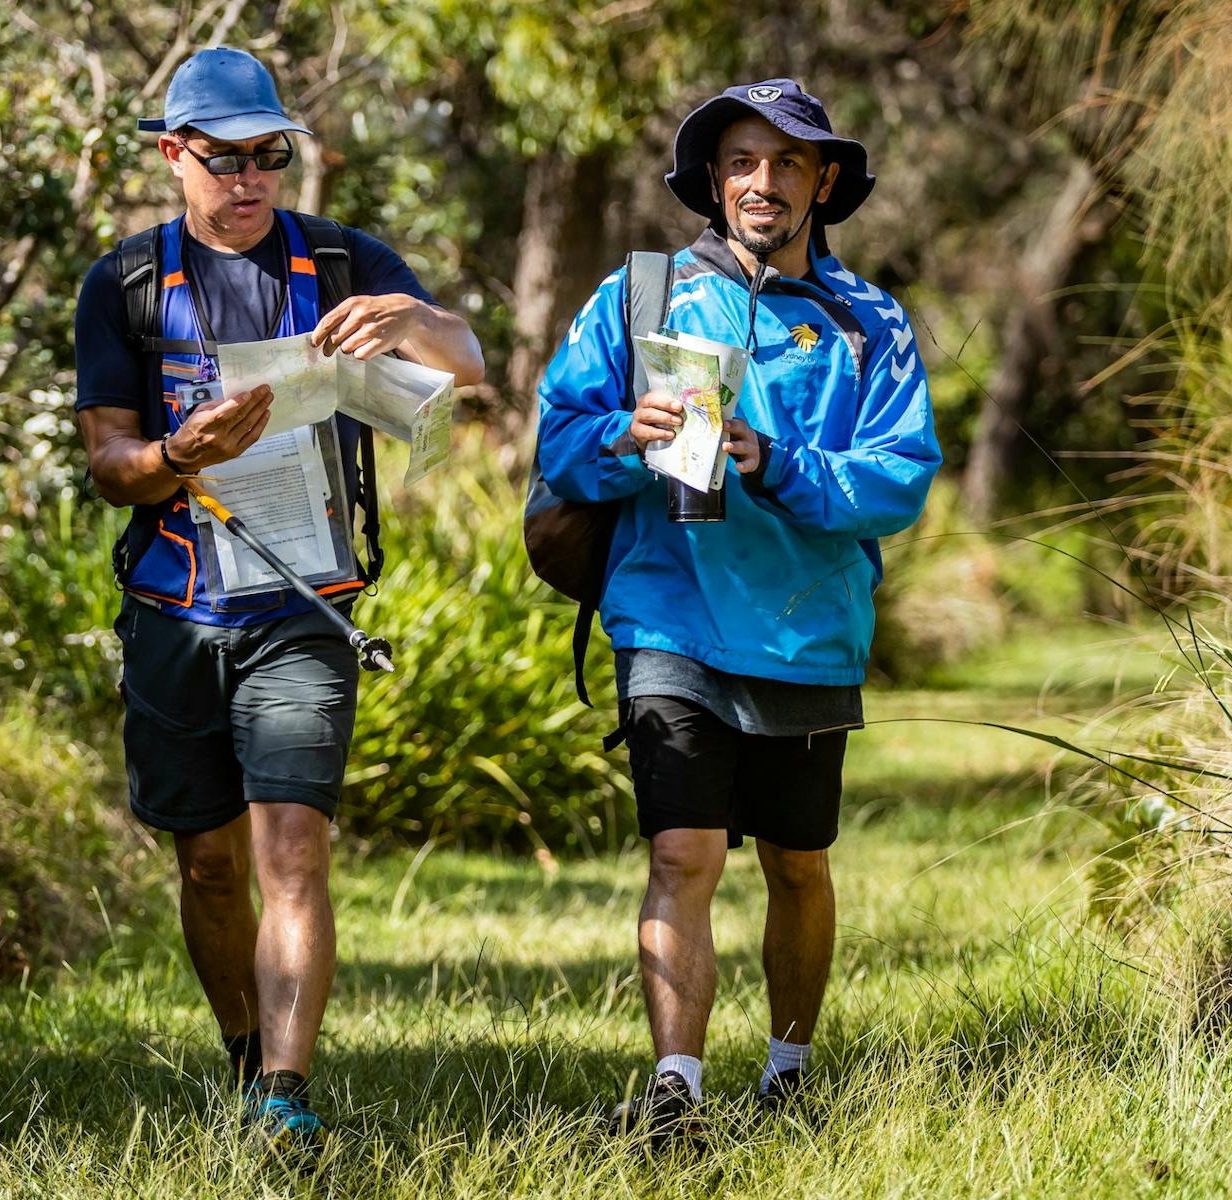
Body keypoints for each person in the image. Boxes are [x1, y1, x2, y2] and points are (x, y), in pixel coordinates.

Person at [72, 47, 483, 1153]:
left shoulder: (344, 259)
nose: (251, 178)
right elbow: (108, 461)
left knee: (290, 845)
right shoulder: (122, 282)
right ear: (174, 156)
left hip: (309, 607)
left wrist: (406, 322)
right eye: (226, 158)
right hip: (175, 608)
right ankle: (246, 1051)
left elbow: (471, 362)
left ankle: (286, 1099)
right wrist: (174, 452)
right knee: (206, 863)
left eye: (271, 155)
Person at [536, 79, 940, 1139]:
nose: (762, 183)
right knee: (683, 855)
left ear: (825, 182)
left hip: (807, 630)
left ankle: (790, 1075)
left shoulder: (870, 323)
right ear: (713, 182)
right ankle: (676, 1093)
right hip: (666, 613)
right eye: (741, 164)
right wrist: (623, 437)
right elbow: (556, 444)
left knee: (796, 863)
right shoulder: (639, 297)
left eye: (786, 163)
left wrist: (786, 464)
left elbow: (899, 479)